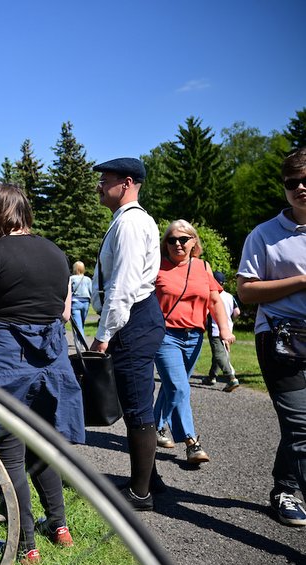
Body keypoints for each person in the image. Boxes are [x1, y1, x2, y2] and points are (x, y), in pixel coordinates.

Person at [0, 183, 84, 565]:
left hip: (7, 364)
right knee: (42, 447)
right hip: (50, 364)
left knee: (10, 453)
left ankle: (25, 545)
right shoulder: (57, 253)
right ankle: (60, 528)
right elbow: (63, 314)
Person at [236, 147, 306, 527]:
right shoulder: (264, 235)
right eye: (292, 182)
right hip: (282, 338)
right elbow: (246, 292)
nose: (300, 187)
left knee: (301, 427)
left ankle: (283, 489)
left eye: (305, 180)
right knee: (301, 426)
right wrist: (300, 281)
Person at [91, 157, 165, 511]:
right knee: (134, 400)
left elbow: (123, 285)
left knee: (136, 405)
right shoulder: (124, 221)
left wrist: (103, 336)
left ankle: (140, 493)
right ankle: (149, 478)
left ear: (128, 183)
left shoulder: (131, 224)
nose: (99, 185)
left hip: (133, 318)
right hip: (134, 318)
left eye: (106, 180)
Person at [153, 220, 235, 465]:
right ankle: (191, 442)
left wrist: (224, 330)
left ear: (194, 243)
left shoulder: (203, 267)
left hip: (194, 337)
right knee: (179, 388)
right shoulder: (156, 267)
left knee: (173, 386)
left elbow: (214, 301)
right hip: (165, 336)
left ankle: (157, 427)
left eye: (183, 239)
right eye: (172, 240)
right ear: (165, 244)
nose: (177, 244)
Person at [203, 271, 241, 391]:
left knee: (219, 354)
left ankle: (231, 378)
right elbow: (237, 312)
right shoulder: (230, 296)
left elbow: (207, 312)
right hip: (228, 329)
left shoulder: (212, 296)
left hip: (215, 330)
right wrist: (230, 320)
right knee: (219, 353)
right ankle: (212, 377)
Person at [69, 261, 93, 338]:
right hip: (86, 303)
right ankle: (80, 341)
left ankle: (81, 343)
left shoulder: (71, 278)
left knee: (78, 325)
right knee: (81, 324)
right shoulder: (88, 279)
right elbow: (91, 292)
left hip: (75, 303)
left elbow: (69, 292)